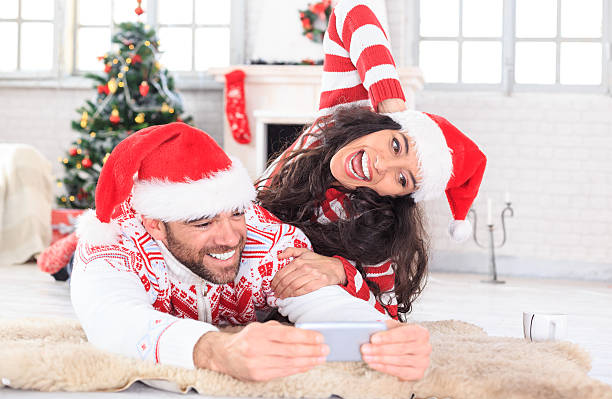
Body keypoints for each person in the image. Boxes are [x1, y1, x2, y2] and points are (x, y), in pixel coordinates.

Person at [70, 122, 432, 382]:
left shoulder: (268, 240)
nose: (229, 238)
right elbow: (109, 316)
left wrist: (380, 336)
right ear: (155, 226)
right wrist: (214, 351)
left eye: (236, 214)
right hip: (109, 253)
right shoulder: (112, 242)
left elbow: (319, 301)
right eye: (202, 223)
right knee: (71, 264)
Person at [257, 0, 487, 320]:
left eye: (402, 179)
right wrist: (392, 105)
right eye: (396, 146)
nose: (382, 166)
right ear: (383, 123)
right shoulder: (336, 122)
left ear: (398, 197)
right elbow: (350, 10)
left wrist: (341, 271)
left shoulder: (374, 223)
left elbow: (389, 312)